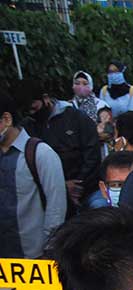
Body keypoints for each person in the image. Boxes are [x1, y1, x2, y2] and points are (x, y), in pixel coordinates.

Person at [0, 91, 68, 290]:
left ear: (5, 119)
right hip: (5, 251)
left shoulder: (39, 153)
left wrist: (47, 247)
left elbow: (56, 204)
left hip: (36, 251)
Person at [19, 81, 101, 211]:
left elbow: (92, 153)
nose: (31, 113)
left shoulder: (76, 118)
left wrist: (78, 183)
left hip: (85, 189)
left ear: (45, 98)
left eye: (34, 108)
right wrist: (61, 186)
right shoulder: (28, 126)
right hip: (49, 192)